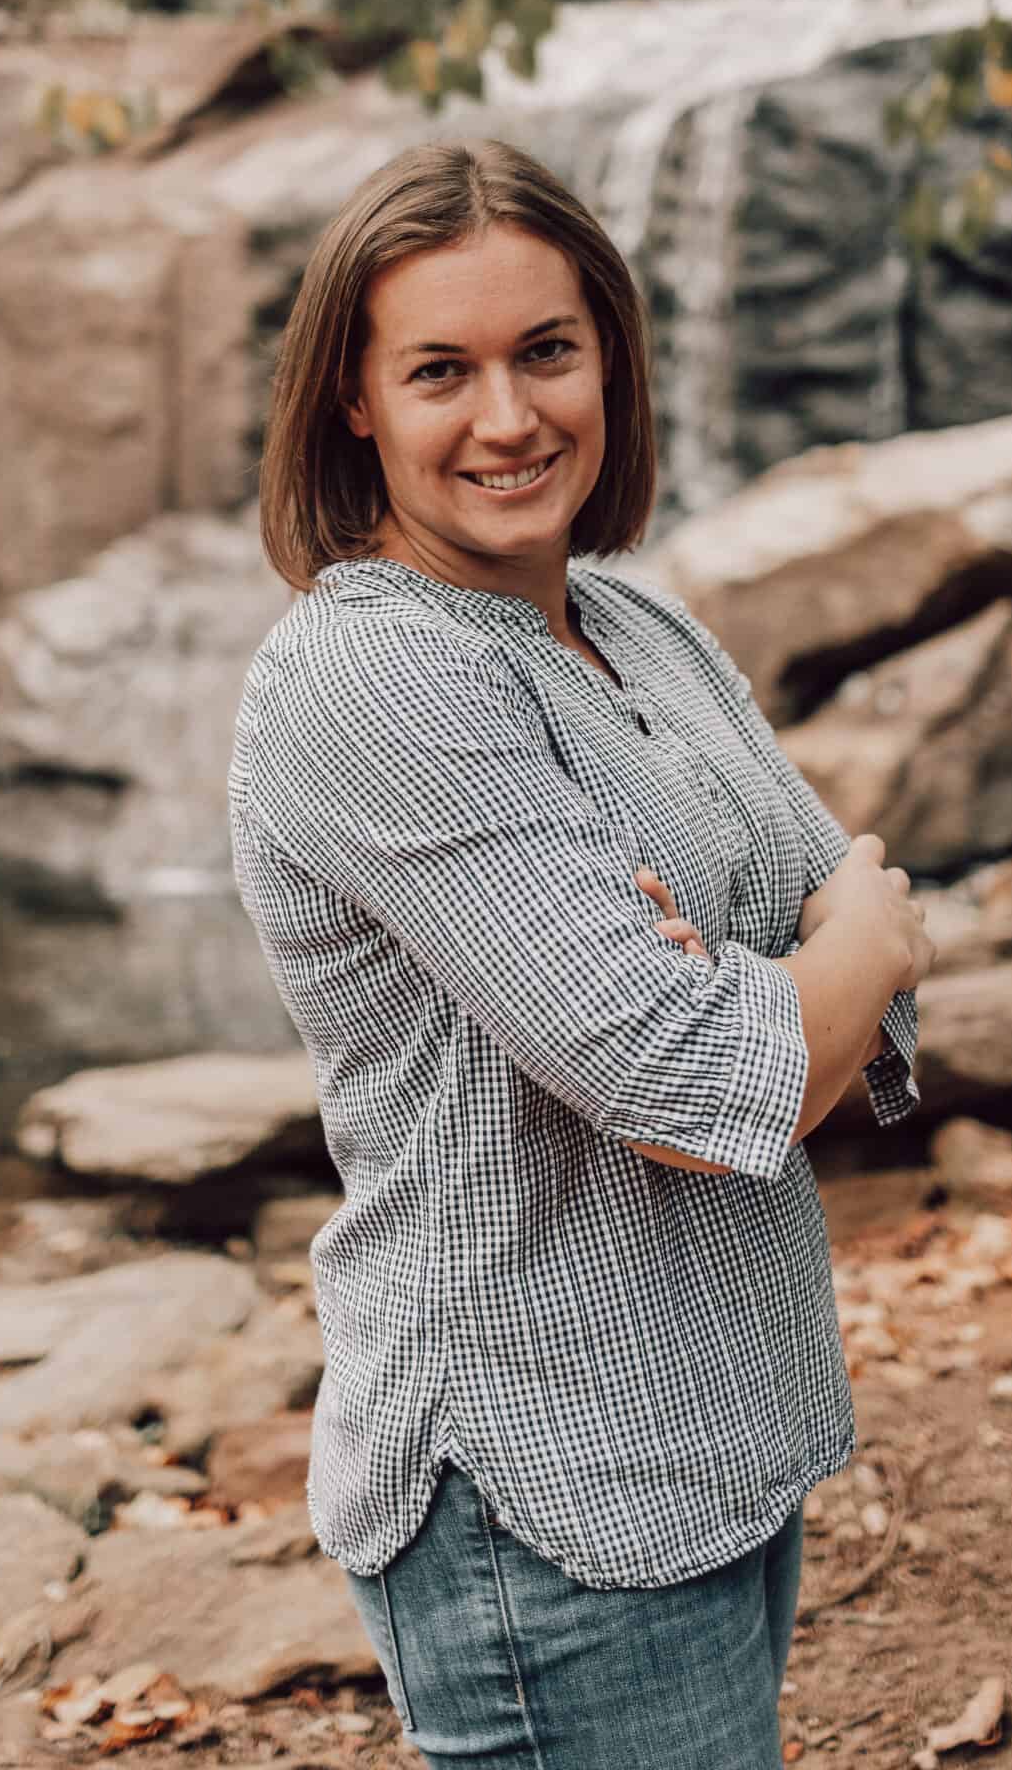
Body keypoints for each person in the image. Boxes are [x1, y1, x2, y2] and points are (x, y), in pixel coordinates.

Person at [228, 135, 936, 1769]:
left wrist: (798, 968)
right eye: (440, 370)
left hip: (713, 1415)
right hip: (536, 1480)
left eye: (547, 351)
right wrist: (792, 975)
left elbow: (858, 920)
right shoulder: (371, 683)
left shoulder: (635, 623)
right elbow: (693, 1080)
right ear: (353, 400)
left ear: (612, 350)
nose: (508, 417)